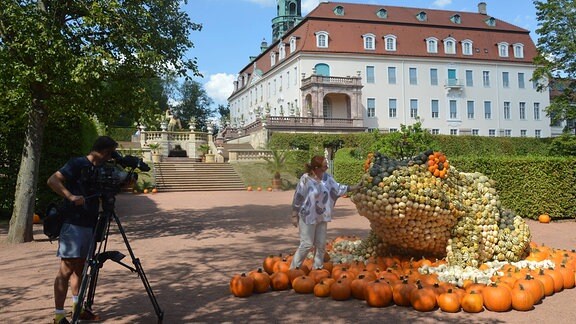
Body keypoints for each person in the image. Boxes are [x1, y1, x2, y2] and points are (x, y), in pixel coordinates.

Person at [47, 136, 118, 324]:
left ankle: (78, 308)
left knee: (81, 269)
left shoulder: (101, 169)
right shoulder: (77, 163)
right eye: (110, 154)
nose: (111, 158)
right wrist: (70, 196)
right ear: (103, 151)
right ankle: (59, 315)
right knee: (66, 269)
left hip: (90, 225)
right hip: (74, 224)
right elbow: (52, 180)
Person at [290, 155, 359, 270]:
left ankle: (317, 269)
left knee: (321, 245)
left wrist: (356, 187)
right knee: (306, 244)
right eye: (325, 165)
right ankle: (293, 269)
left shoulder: (327, 178)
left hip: (322, 216)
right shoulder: (305, 179)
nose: (327, 166)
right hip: (308, 216)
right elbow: (298, 196)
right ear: (316, 168)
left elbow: (338, 188)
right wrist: (294, 214)